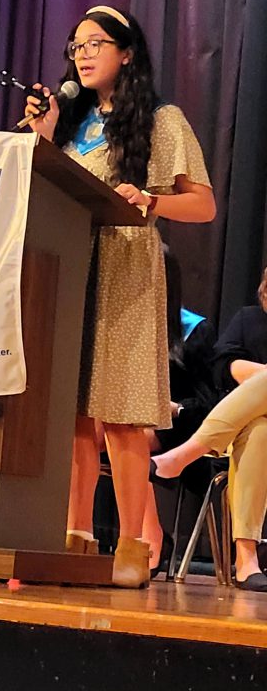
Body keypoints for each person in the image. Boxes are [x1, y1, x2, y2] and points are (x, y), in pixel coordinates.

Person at [24, 4, 215, 587]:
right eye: (75, 45)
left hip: (127, 269)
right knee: (75, 414)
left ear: (126, 53)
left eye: (95, 43)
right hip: (71, 265)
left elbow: (203, 205)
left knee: (123, 414)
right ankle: (75, 539)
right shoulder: (74, 119)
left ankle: (133, 544)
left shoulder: (161, 121)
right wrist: (42, 136)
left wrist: (152, 202)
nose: (81, 54)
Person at [152, 267, 267, 590]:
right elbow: (225, 368)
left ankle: (184, 455)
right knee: (260, 432)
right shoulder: (249, 320)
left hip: (232, 428)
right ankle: (247, 561)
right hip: (251, 428)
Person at [141, 245, 218, 576]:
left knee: (133, 436)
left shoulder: (194, 330)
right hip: (130, 422)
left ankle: (148, 538)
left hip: (181, 428)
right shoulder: (122, 325)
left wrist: (170, 408)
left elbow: (211, 407)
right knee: (84, 432)